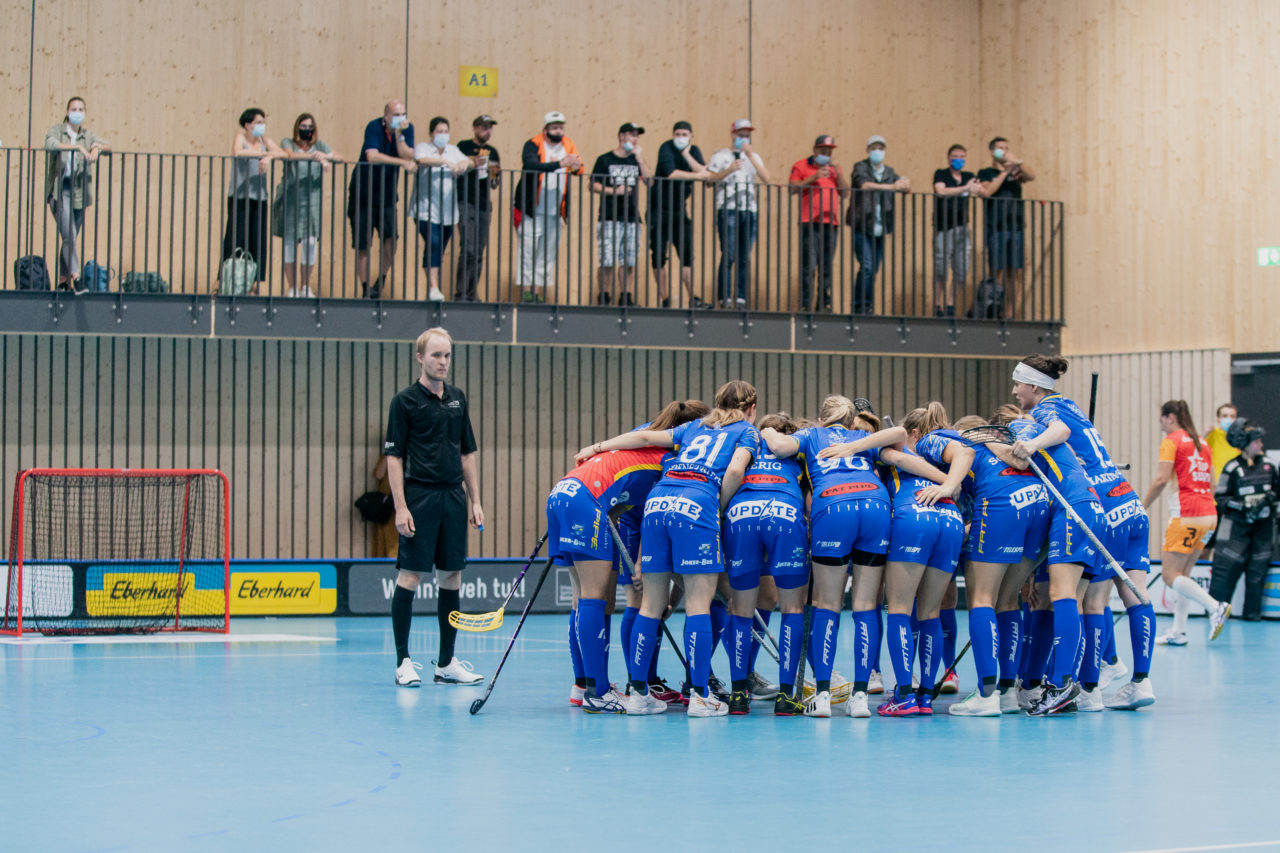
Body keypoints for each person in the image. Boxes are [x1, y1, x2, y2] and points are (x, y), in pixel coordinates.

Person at [576, 381, 760, 718]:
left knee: (650, 604)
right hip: (697, 501)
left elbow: (645, 437)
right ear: (751, 409)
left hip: (657, 502)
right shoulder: (748, 432)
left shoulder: (694, 426)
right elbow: (734, 470)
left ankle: (637, 694)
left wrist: (596, 446)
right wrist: (715, 507)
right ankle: (701, 696)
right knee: (698, 604)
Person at [764, 397, 937, 718]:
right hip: (875, 506)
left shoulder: (811, 436)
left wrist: (767, 432)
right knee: (866, 605)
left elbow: (778, 446)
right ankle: (860, 696)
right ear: (852, 420)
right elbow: (898, 433)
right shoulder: (864, 440)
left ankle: (825, 695)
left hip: (833, 507)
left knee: (828, 604)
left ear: (820, 418)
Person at [1009, 358, 1114, 716]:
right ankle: (1074, 685)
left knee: (1062, 595)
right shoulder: (1069, 405)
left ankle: (1060, 685)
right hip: (1096, 501)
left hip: (1075, 504)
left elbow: (1060, 432)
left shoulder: (1048, 407)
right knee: (1076, 602)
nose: (1014, 391)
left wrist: (1031, 443)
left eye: (1018, 385)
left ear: (1035, 387)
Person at [385, 327, 485, 688]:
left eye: (447, 356)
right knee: (410, 576)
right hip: (419, 497)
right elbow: (394, 457)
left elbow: (467, 453)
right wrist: (401, 507)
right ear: (420, 358)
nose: (443, 362)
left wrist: (475, 501)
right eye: (436, 356)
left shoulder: (457, 399)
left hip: (453, 498)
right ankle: (403, 662)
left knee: (452, 576)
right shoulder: (404, 402)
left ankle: (446, 663)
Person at [722, 412, 810, 716]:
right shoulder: (799, 454)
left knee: (740, 609)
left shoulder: (746, 450)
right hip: (784, 515)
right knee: (792, 608)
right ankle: (787, 696)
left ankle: (737, 695)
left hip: (741, 516)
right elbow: (810, 499)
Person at [1141, 399, 1231, 645]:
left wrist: (1141, 506)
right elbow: (1212, 484)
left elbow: (1161, 480)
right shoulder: (1203, 443)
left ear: (1170, 417)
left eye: (1162, 419)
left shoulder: (1172, 441)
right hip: (1209, 515)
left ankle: (1215, 607)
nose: (1161, 425)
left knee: (1170, 575)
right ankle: (1178, 632)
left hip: (1187, 514)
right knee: (1185, 576)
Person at [513, 111, 584, 303]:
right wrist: (560, 164)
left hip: (555, 210)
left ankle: (538, 290)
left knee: (547, 252)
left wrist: (575, 166)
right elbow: (530, 164)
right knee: (528, 249)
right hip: (532, 208)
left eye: (560, 127)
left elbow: (579, 166)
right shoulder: (533, 144)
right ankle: (526, 290)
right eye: (554, 127)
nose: (558, 131)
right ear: (545, 130)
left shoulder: (568, 144)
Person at [1209, 421, 1277, 621]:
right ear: (1246, 443)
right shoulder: (1232, 468)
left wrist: (1270, 498)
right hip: (1235, 529)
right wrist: (1244, 506)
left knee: (1257, 573)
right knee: (1224, 572)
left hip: (1263, 529)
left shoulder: (1270, 465)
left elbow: (1278, 490)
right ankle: (1216, 613)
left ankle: (1252, 614)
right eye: (1257, 441)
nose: (1261, 444)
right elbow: (1220, 498)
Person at [349, 101, 415, 300]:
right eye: (396, 114)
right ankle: (365, 287)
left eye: (403, 114)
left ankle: (381, 280)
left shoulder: (406, 129)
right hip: (363, 192)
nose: (400, 118)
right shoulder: (374, 127)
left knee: (391, 238)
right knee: (363, 242)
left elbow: (409, 154)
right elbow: (373, 156)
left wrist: (399, 136)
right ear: (386, 115)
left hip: (387, 195)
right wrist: (401, 163)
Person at [43, 96, 110, 291]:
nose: (77, 112)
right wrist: (77, 148)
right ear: (67, 111)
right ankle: (77, 277)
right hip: (59, 190)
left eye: (81, 109)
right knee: (69, 236)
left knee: (69, 238)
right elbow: (50, 144)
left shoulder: (87, 135)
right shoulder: (58, 130)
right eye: (74, 109)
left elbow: (109, 146)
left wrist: (97, 147)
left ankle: (63, 282)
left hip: (79, 193)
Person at [706, 119, 772, 309]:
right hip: (728, 208)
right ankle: (725, 297)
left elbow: (767, 178)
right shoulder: (721, 155)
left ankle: (741, 297)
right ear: (732, 134)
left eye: (747, 135)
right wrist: (728, 171)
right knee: (729, 253)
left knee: (745, 255)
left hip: (749, 209)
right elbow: (710, 180)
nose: (743, 138)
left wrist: (750, 156)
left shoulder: (754, 157)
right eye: (740, 134)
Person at [276, 113, 343, 298]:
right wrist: (316, 158)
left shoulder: (319, 145)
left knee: (310, 242)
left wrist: (326, 155)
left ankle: (305, 285)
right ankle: (292, 287)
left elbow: (339, 157)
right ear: (297, 127)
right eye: (303, 126)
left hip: (312, 199)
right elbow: (288, 155)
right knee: (290, 242)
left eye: (309, 127)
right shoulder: (288, 142)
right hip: (291, 198)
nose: (306, 130)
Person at [222, 108, 284, 295]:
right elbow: (237, 152)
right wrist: (261, 156)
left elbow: (282, 153)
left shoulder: (265, 141)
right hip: (240, 195)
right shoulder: (241, 138)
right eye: (257, 122)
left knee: (257, 239)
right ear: (247, 125)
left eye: (262, 122)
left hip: (260, 197)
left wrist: (269, 156)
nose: (261, 126)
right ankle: (225, 278)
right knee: (235, 236)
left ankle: (254, 282)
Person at [590, 123, 651, 306]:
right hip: (609, 217)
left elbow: (649, 181)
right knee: (607, 260)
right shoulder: (605, 159)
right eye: (631, 135)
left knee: (629, 260)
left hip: (632, 217)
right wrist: (614, 191)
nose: (635, 139)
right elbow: (592, 184)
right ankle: (604, 295)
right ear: (621, 136)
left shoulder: (635, 160)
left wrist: (640, 159)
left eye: (637, 136)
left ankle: (626, 296)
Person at [649, 121, 708, 308]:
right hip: (658, 208)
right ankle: (664, 298)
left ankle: (693, 298)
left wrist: (686, 154)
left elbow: (704, 172)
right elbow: (671, 173)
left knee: (687, 254)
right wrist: (697, 177)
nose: (680, 137)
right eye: (677, 134)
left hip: (680, 209)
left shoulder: (694, 150)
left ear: (691, 136)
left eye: (684, 134)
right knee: (658, 254)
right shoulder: (666, 148)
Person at [411, 117, 471, 302]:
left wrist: (462, 165)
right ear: (431, 133)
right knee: (434, 242)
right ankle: (433, 287)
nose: (443, 135)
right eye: (439, 131)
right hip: (425, 210)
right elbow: (420, 159)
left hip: (448, 212)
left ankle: (433, 284)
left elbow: (466, 162)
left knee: (438, 248)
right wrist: (445, 163)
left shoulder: (453, 150)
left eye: (446, 131)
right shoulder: (423, 147)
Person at [849, 134, 909, 315]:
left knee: (873, 269)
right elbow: (864, 185)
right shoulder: (861, 167)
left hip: (881, 227)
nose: (877, 152)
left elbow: (905, 188)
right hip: (862, 224)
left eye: (880, 148)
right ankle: (861, 305)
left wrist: (905, 183)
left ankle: (867, 303)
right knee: (866, 266)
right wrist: (892, 187)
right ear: (868, 150)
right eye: (874, 148)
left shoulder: (889, 172)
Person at [978, 138, 1035, 319]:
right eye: (999, 148)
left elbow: (1031, 176)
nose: (1003, 151)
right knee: (995, 269)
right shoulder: (986, 172)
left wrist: (1017, 162)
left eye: (1006, 148)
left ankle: (1008, 312)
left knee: (1013, 271)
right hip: (996, 226)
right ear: (992, 151)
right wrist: (1004, 172)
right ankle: (990, 308)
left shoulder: (1016, 170)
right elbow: (987, 191)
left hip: (1016, 226)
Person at [789, 135, 847, 313]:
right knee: (809, 264)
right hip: (810, 222)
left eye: (829, 151)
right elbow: (792, 188)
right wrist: (814, 177)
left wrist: (837, 171)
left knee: (827, 266)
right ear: (814, 150)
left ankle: (823, 302)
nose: (826, 153)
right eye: (823, 150)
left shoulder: (835, 169)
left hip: (831, 223)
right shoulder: (801, 165)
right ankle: (806, 302)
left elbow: (845, 192)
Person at [455, 115, 501, 302]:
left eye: (490, 127)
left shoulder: (493, 151)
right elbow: (456, 168)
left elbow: (495, 182)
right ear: (474, 128)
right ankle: (461, 292)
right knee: (469, 247)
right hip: (465, 201)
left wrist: (494, 173)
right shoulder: (463, 146)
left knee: (479, 250)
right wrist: (473, 163)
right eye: (483, 127)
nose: (487, 131)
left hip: (483, 204)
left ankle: (471, 291)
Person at [932, 144, 981, 317]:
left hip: (962, 228)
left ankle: (950, 304)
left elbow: (979, 190)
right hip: (944, 228)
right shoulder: (941, 173)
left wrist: (973, 188)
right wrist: (965, 189)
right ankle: (937, 305)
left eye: (962, 156)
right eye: (955, 156)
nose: (959, 159)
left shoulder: (969, 176)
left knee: (962, 269)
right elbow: (941, 191)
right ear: (948, 158)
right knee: (941, 268)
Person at [1206, 402, 1241, 481]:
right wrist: (1206, 433)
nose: (1229, 419)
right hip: (1216, 482)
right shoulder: (1213, 433)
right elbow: (1197, 446)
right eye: (1225, 416)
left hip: (1235, 481)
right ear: (1218, 419)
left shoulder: (1240, 437)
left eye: (1232, 416)